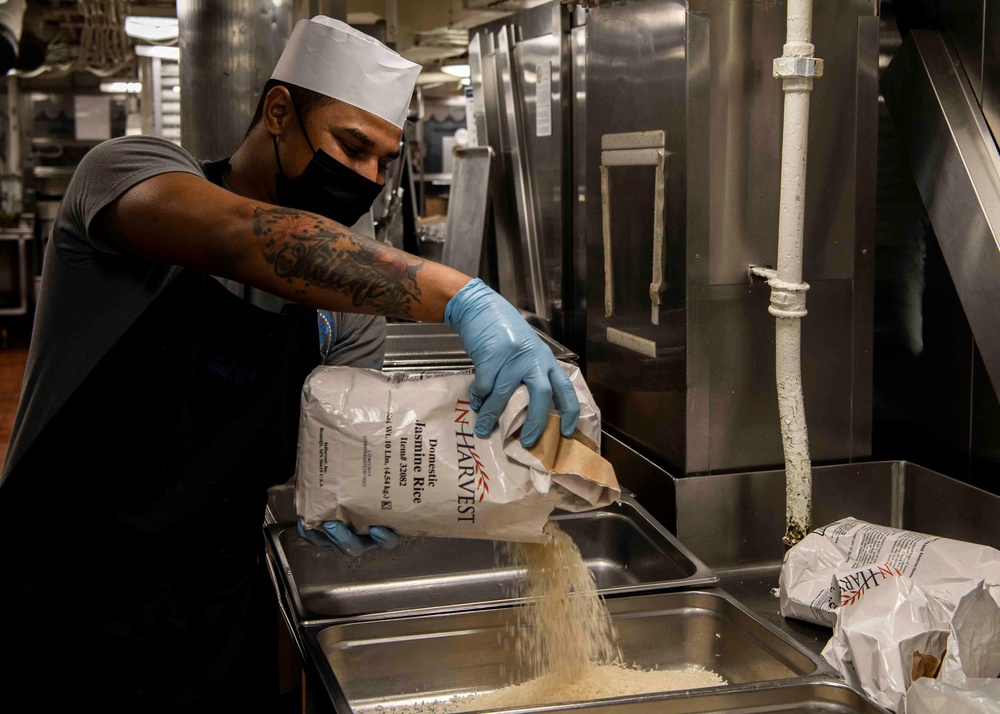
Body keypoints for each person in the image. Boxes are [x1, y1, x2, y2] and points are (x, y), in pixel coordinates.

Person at [0, 16, 579, 712]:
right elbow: (244, 239)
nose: (364, 178)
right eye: (352, 146)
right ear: (279, 112)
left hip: (216, 602)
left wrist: (369, 492)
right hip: (64, 593)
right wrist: (464, 296)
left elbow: (337, 447)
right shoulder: (128, 173)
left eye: (382, 163)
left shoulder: (349, 307)